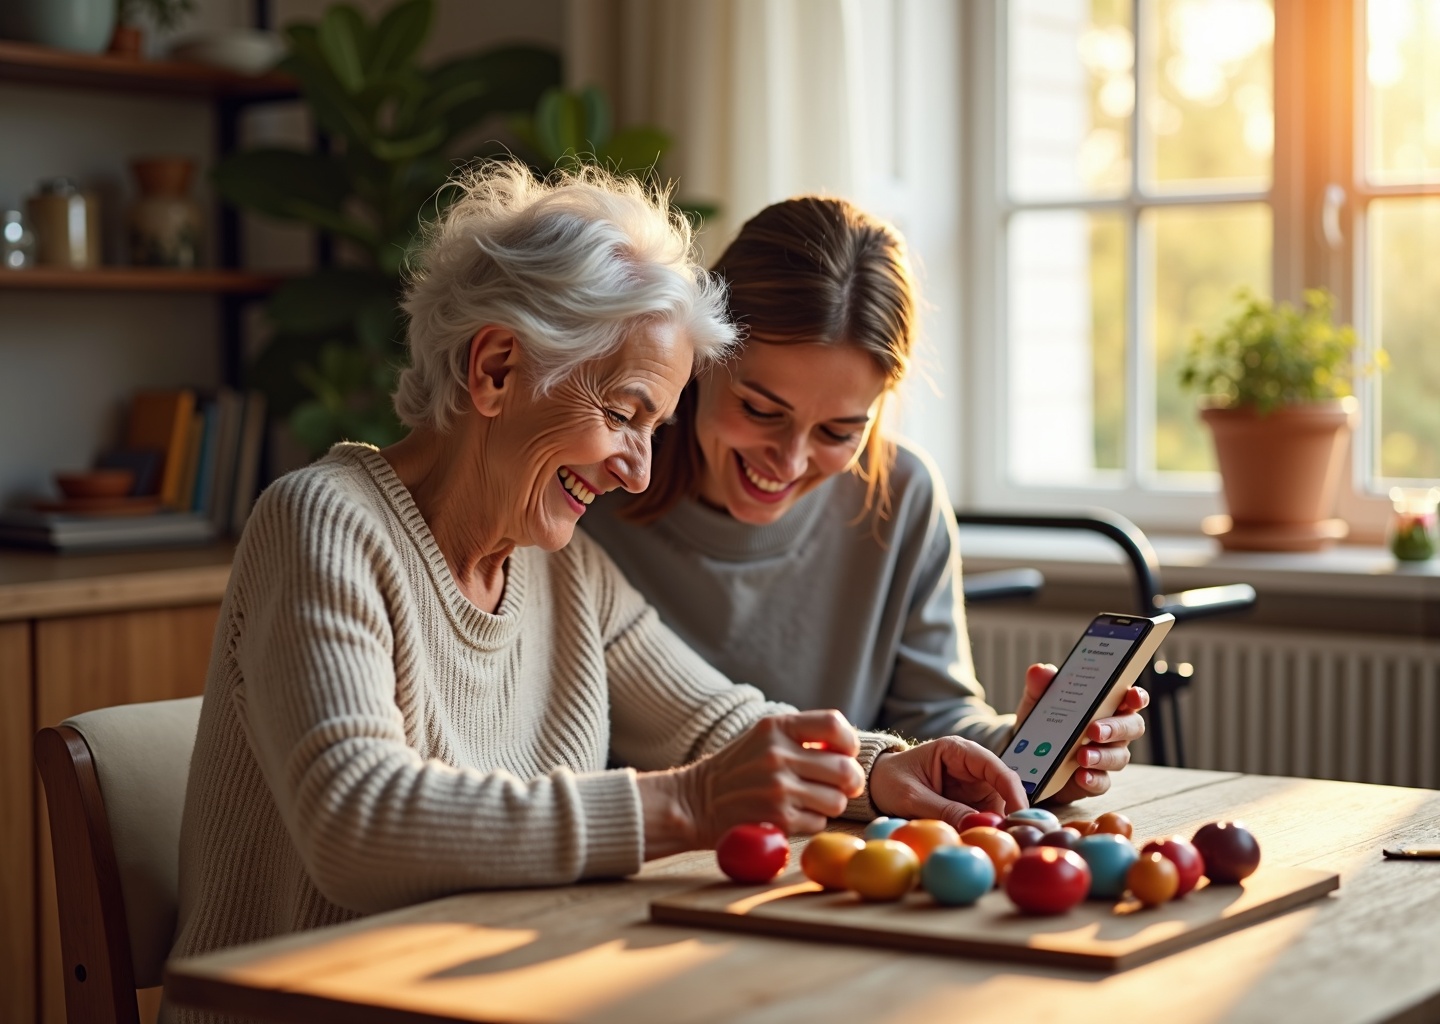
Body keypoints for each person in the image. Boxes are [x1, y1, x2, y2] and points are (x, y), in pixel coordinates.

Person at [165, 165, 1026, 1022]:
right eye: (623, 413)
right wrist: (687, 802)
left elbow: (720, 724)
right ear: (497, 368)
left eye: (655, 426)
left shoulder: (563, 568)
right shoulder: (324, 522)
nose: (639, 468)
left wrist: (884, 772)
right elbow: (355, 823)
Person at [582, 196, 1149, 807]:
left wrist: (1018, 752)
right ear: (699, 357)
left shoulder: (902, 496)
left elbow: (934, 721)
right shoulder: (591, 487)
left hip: (839, 849)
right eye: (761, 410)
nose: (790, 460)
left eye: (838, 432)